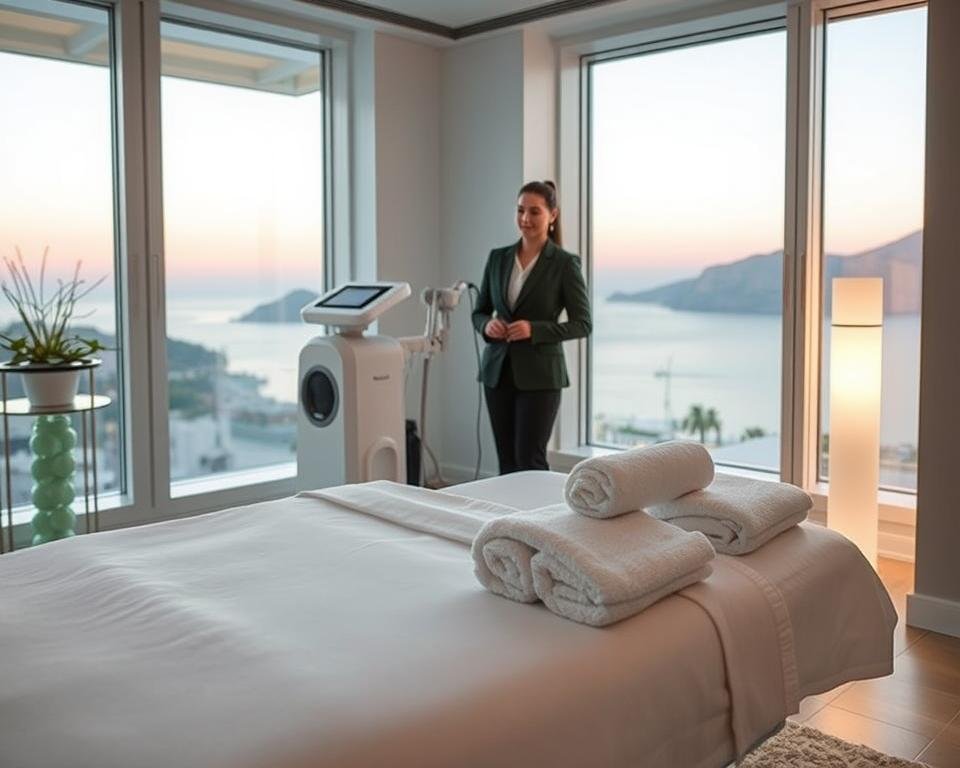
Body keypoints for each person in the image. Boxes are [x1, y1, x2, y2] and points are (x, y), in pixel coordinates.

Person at [471, 180, 592, 474]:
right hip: (497, 373)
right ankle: (507, 521)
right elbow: (479, 311)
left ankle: (536, 521)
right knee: (506, 462)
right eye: (520, 210)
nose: (525, 219)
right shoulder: (498, 258)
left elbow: (582, 324)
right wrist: (488, 326)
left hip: (541, 377)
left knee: (530, 462)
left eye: (534, 212)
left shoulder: (564, 264)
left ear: (553, 215)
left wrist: (534, 330)